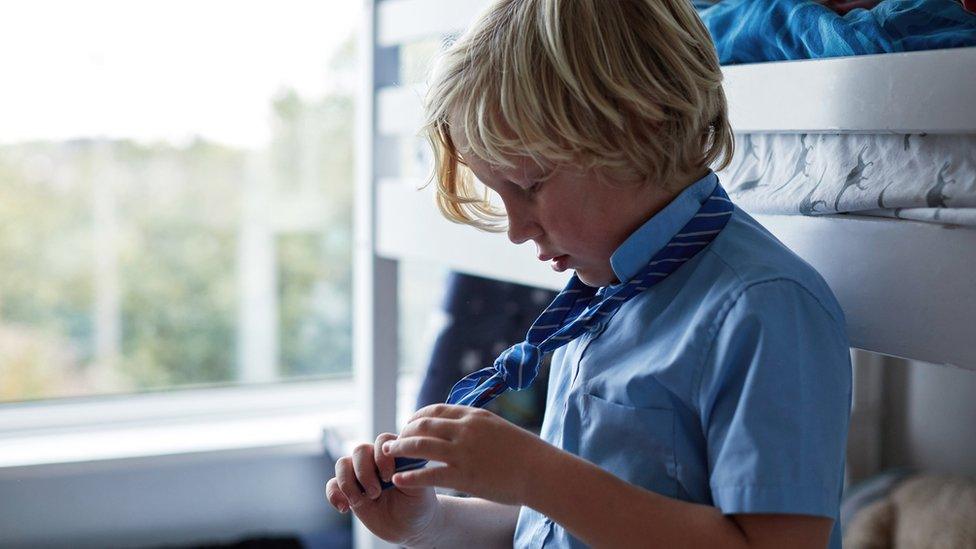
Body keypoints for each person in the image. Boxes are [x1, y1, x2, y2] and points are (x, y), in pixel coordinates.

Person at [326, 1, 852, 547]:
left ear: (637, 127)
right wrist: (432, 523)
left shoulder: (765, 308)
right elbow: (567, 526)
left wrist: (534, 473)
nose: (515, 229)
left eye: (529, 186)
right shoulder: (604, 300)